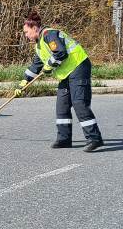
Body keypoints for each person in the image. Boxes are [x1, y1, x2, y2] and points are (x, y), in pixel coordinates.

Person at [16, 11, 104, 152]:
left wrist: (49, 65)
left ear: (34, 28)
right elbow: (35, 66)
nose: (26, 35)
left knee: (79, 103)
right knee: (62, 106)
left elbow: (61, 52)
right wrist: (23, 83)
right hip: (66, 74)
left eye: (26, 32)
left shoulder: (49, 34)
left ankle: (94, 138)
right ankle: (64, 139)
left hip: (78, 67)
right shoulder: (39, 46)